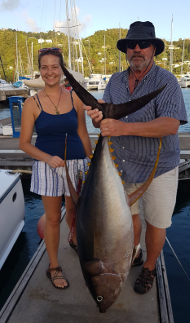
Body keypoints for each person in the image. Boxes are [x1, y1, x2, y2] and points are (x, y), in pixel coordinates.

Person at [84, 21, 187, 294]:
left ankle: (149, 267)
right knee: (128, 217)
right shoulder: (116, 81)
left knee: (156, 222)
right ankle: (135, 251)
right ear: (126, 50)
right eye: (132, 45)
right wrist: (99, 118)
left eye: (143, 44)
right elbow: (107, 120)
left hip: (158, 168)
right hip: (122, 166)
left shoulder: (167, 81)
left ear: (153, 48)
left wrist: (122, 127)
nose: (137, 49)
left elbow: (171, 125)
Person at [20, 48, 92, 289]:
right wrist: (48, 158)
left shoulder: (75, 98)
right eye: (44, 67)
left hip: (77, 164)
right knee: (52, 219)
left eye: (54, 66)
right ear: (39, 70)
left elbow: (82, 132)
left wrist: (91, 159)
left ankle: (73, 239)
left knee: (74, 211)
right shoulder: (32, 102)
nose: (49, 72)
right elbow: (24, 143)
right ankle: (53, 266)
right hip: (47, 166)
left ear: (62, 70)